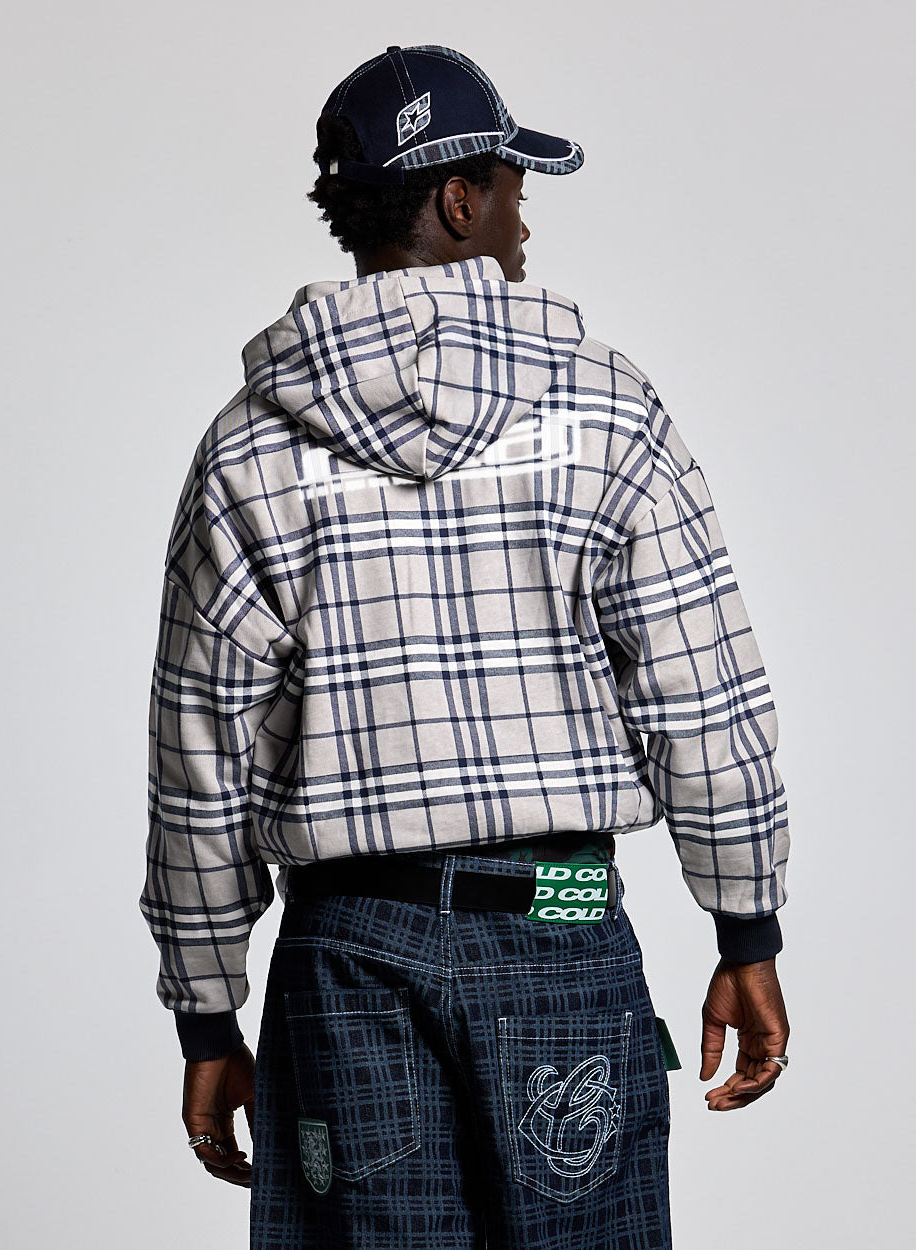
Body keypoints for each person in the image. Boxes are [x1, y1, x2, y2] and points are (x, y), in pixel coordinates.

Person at [140, 43, 791, 1249]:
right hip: (560, 926)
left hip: (347, 956)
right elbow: (699, 691)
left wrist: (206, 1010)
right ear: (456, 199)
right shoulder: (604, 410)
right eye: (511, 190)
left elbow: (198, 757)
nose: (522, 222)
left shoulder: (247, 449)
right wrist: (743, 925)